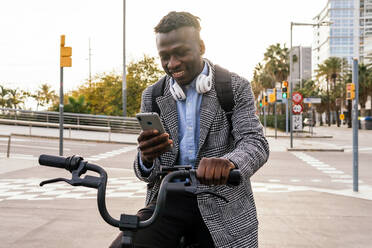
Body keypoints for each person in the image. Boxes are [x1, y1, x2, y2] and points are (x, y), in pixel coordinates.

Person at [110, 11, 269, 248]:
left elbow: (255, 143)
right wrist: (145, 159)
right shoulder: (152, 96)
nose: (172, 64)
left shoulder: (234, 87)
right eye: (164, 56)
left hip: (223, 203)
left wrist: (229, 163)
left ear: (201, 46)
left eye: (181, 52)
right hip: (166, 201)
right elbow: (145, 173)